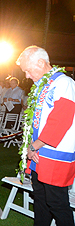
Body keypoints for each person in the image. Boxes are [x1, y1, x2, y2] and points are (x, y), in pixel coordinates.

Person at [17, 45, 75, 226]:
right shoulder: (40, 86)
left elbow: (60, 122)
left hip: (55, 156)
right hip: (38, 154)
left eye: (27, 70)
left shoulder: (64, 83)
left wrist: (34, 146)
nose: (26, 76)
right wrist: (31, 147)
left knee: (57, 204)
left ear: (41, 63)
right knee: (40, 202)